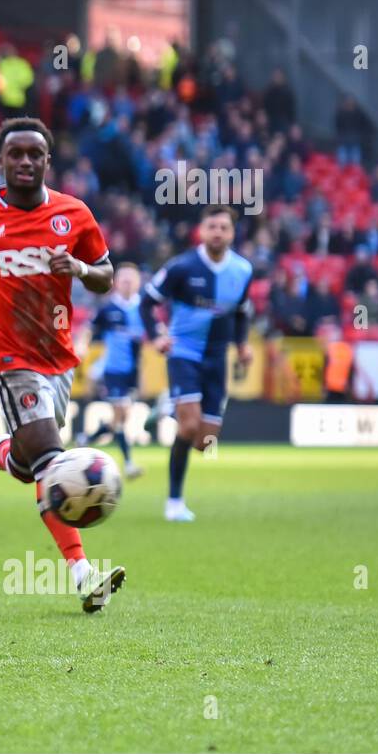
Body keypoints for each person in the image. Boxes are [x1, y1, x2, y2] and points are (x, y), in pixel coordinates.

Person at [0, 117, 126, 613]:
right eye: (14, 153)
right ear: (1, 160)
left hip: (59, 359)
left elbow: (106, 275)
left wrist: (80, 268)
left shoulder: (73, 214)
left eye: (33, 154)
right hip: (9, 358)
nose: (24, 162)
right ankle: (84, 576)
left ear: (47, 161)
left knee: (25, 465)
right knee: (49, 461)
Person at [141, 204, 254, 522]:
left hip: (217, 359)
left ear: (232, 233)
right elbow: (148, 302)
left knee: (204, 442)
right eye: (212, 227)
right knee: (188, 426)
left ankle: (167, 406)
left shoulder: (242, 270)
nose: (217, 233)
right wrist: (157, 335)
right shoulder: (181, 267)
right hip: (184, 353)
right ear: (201, 232)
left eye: (223, 228)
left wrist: (243, 345)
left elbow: (243, 312)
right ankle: (174, 502)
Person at [77, 263, 146, 478]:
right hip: (113, 370)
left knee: (119, 420)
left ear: (138, 282)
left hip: (133, 372)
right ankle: (128, 463)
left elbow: (152, 335)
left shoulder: (143, 308)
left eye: (131, 278)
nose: (127, 282)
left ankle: (87, 439)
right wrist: (81, 345)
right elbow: (89, 328)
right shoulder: (108, 308)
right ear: (116, 282)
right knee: (121, 412)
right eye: (123, 278)